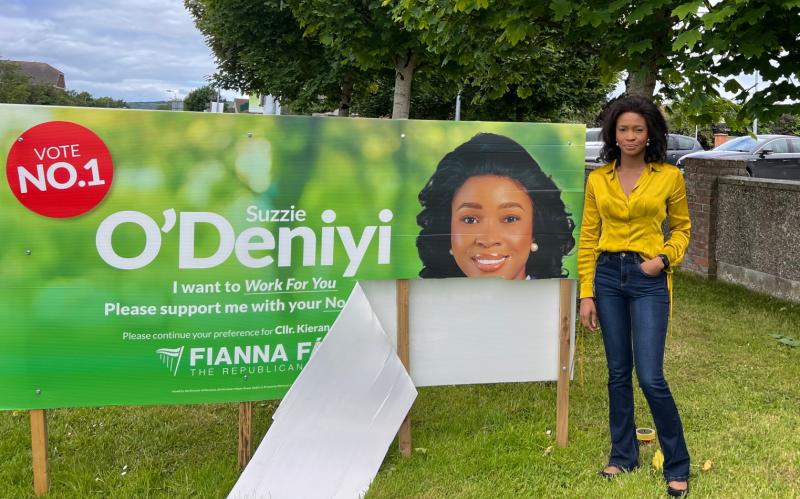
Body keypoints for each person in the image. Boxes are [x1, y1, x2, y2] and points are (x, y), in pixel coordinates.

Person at [578, 96, 691, 497]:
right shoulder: (597, 180)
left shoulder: (668, 177)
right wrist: (586, 293)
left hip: (648, 279)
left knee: (650, 376)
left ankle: (678, 463)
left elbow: (681, 230)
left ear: (650, 135)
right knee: (616, 373)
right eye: (623, 129)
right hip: (607, 276)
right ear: (613, 134)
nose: (630, 136)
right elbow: (589, 237)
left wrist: (663, 259)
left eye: (638, 130)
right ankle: (623, 454)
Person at [417, 132, 575, 280]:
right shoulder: (430, 301)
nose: (488, 239)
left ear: (536, 227)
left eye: (510, 218)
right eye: (470, 219)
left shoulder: (550, 303)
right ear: (447, 228)